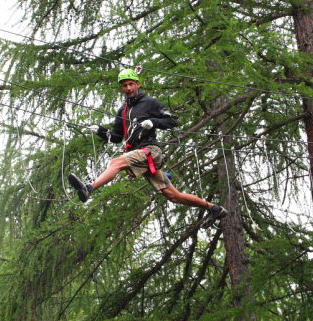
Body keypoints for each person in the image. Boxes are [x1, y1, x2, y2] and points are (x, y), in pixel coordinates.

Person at [68, 68, 229, 227]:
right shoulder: (122, 111)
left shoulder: (150, 103)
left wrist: (154, 122)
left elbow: (173, 120)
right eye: (125, 85)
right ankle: (213, 208)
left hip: (151, 152)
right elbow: (116, 138)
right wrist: (101, 131)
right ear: (121, 88)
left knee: (116, 162)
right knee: (174, 196)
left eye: (131, 84)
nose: (129, 88)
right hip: (139, 157)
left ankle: (89, 188)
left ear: (138, 84)